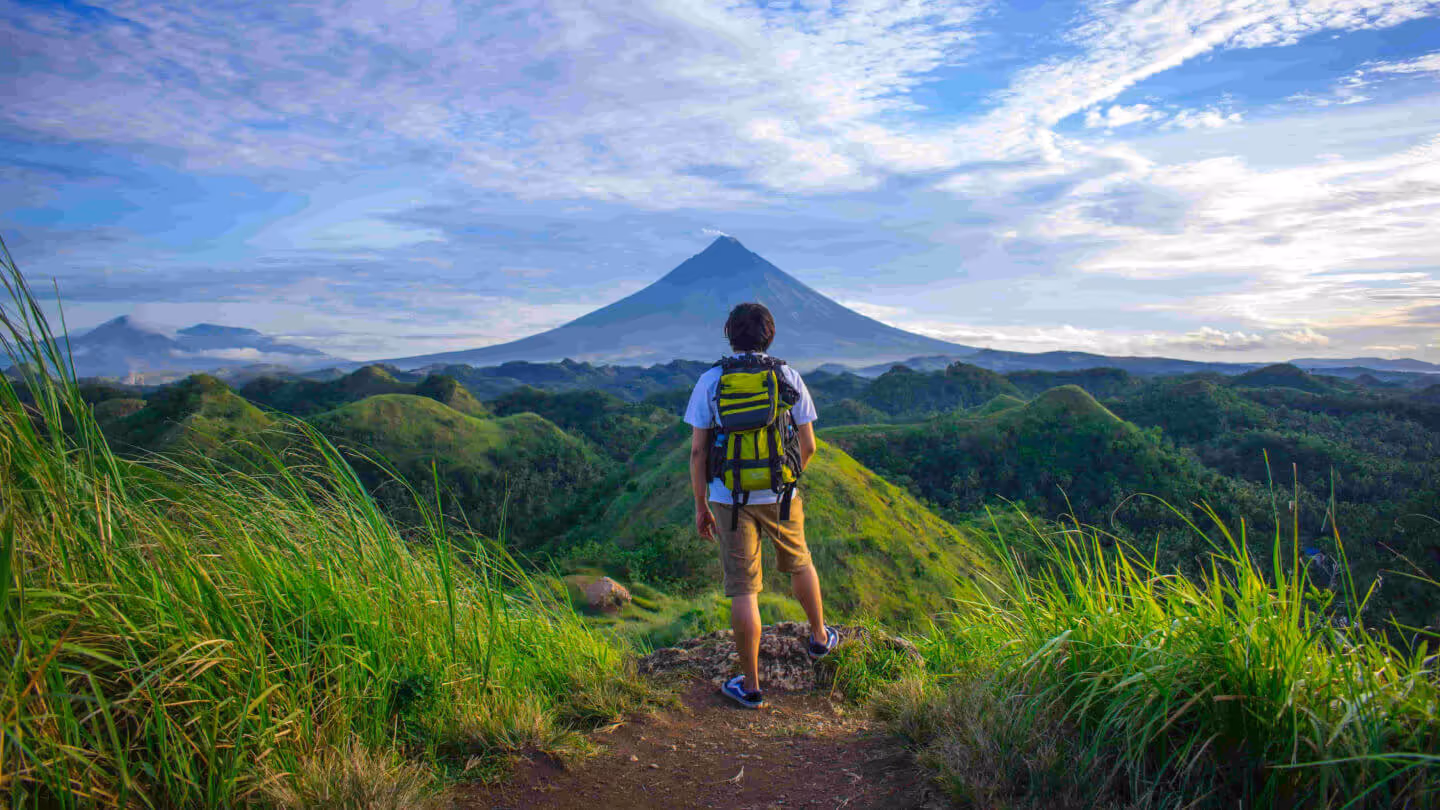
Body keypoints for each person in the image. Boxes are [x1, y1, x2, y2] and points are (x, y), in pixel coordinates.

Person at [683, 302, 836, 710]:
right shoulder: (787, 375)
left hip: (727, 496)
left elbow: (698, 453)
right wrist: (785, 479)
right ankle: (820, 638)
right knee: (800, 562)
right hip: (781, 494)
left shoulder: (711, 380)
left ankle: (751, 687)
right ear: (770, 335)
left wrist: (701, 505)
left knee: (743, 588)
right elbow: (809, 445)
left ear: (729, 335)